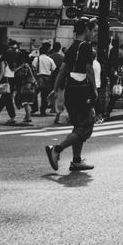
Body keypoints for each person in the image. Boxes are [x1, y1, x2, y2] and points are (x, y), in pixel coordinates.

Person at [45, 19, 98, 173]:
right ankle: (56, 149)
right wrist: (94, 89)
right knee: (86, 125)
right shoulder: (86, 46)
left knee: (78, 126)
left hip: (70, 90)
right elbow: (89, 69)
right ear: (87, 30)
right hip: (83, 90)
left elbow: (62, 70)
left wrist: (55, 90)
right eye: (93, 31)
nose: (94, 34)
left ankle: (76, 160)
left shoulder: (71, 47)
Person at [34, 41, 57, 116]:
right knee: (44, 96)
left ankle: (34, 107)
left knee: (35, 94)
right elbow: (54, 68)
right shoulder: (50, 59)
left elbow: (33, 67)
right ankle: (43, 110)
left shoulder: (36, 59)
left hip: (38, 77)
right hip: (47, 78)